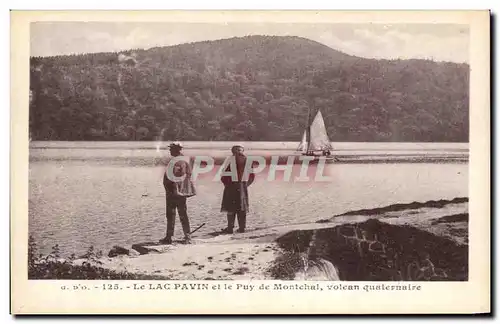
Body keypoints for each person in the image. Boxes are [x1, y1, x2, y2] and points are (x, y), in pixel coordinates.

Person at [160, 141, 196, 244]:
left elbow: (176, 177)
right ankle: (186, 235)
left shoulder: (178, 161)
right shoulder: (183, 159)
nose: (170, 150)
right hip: (179, 191)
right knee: (182, 213)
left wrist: (176, 190)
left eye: (172, 149)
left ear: (177, 149)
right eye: (170, 149)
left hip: (174, 192)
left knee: (172, 214)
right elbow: (188, 175)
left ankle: (170, 237)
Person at [220, 144, 255, 234]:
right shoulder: (247, 160)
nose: (239, 152)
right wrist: (246, 185)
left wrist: (227, 185)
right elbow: (252, 176)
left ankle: (230, 228)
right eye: (239, 150)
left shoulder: (230, 160)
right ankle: (242, 228)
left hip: (231, 187)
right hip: (242, 186)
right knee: (242, 208)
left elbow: (223, 176)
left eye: (239, 150)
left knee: (230, 208)